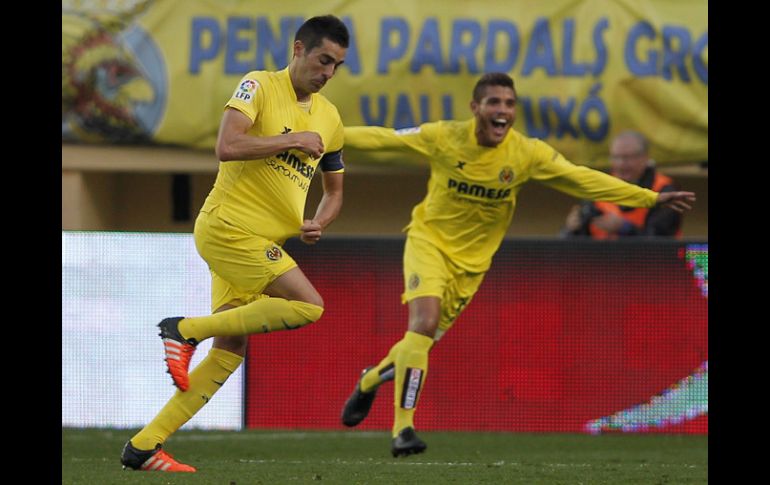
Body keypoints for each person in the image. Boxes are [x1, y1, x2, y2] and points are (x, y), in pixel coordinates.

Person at [339, 72, 695, 457]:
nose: (503, 110)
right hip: (429, 245)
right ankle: (402, 429)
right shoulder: (443, 136)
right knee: (422, 324)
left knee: (420, 343)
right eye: (494, 102)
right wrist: (323, 136)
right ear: (476, 108)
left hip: (472, 266)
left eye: (509, 104)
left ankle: (370, 380)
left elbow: (582, 179)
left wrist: (648, 198)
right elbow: (382, 138)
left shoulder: (526, 154)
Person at [120, 15, 349, 473]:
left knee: (232, 345)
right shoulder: (258, 85)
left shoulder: (330, 118)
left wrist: (318, 220)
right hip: (228, 229)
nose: (327, 72)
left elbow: (336, 190)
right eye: (323, 59)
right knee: (309, 305)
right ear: (299, 49)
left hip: (261, 240)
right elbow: (227, 145)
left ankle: (144, 447)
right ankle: (184, 330)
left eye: (337, 66)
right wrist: (292, 139)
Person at [561, 130, 684, 239]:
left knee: (699, 258)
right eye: (616, 157)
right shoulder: (600, 187)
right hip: (603, 261)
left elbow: (661, 242)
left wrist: (624, 228)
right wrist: (572, 229)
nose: (621, 164)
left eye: (627, 158)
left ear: (645, 157)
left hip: (651, 263)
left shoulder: (664, 190)